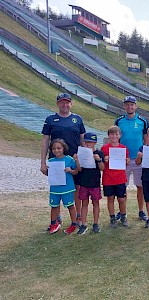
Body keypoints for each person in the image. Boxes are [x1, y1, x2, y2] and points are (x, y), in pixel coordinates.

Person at [40, 93, 86, 230]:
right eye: (62, 102)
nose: (64, 105)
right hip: (56, 162)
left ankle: (77, 215)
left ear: (71, 104)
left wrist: (84, 159)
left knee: (76, 188)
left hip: (73, 160)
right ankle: (57, 218)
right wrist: (43, 162)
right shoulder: (50, 119)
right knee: (57, 188)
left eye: (67, 102)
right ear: (57, 103)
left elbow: (83, 141)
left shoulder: (77, 119)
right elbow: (45, 141)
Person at [115, 96, 149, 221]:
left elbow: (146, 139)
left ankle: (141, 211)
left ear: (136, 106)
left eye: (132, 104)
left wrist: (145, 154)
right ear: (124, 106)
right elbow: (116, 139)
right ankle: (121, 211)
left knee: (140, 187)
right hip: (124, 159)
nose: (129, 107)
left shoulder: (142, 121)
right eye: (127, 104)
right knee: (122, 186)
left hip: (139, 159)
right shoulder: (119, 121)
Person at [47, 139, 79, 235]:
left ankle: (74, 224)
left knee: (70, 206)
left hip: (67, 188)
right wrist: (47, 170)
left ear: (63, 148)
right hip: (55, 189)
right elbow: (48, 174)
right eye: (54, 148)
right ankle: (54, 224)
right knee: (54, 206)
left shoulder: (69, 160)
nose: (56, 150)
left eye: (59, 148)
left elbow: (76, 171)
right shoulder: (51, 161)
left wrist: (70, 170)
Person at [101, 126, 130, 228]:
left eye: (116, 134)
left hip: (120, 178)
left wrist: (127, 161)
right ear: (109, 135)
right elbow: (101, 166)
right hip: (108, 178)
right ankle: (112, 218)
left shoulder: (124, 148)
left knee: (122, 199)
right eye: (112, 134)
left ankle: (123, 216)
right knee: (110, 199)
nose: (114, 136)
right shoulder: (104, 148)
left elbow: (125, 163)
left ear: (120, 135)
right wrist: (104, 159)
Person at [76, 133, 105, 235]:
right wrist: (77, 160)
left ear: (95, 143)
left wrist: (99, 160)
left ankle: (95, 223)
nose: (88, 144)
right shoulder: (82, 152)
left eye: (91, 142)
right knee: (84, 203)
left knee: (96, 203)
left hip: (95, 183)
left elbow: (102, 168)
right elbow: (79, 169)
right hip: (84, 182)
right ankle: (83, 224)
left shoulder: (99, 153)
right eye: (87, 142)